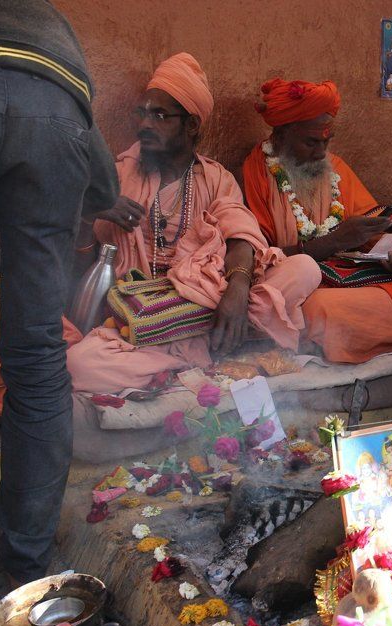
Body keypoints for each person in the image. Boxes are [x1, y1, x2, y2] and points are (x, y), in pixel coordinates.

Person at [0, 0, 119, 585]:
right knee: (35, 355)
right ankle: (24, 571)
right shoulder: (53, 28)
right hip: (55, 122)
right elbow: (102, 185)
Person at [67, 54, 321, 393]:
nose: (144, 124)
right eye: (141, 113)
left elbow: (241, 235)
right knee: (78, 365)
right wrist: (92, 210)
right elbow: (81, 262)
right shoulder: (120, 176)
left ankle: (195, 348)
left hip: (209, 306)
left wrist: (237, 290)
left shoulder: (216, 178)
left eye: (159, 115)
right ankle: (194, 357)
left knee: (305, 268)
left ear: (191, 125)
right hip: (142, 318)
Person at [242, 78, 392, 374]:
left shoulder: (335, 167)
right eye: (311, 142)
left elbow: (375, 235)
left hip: (358, 281)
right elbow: (259, 261)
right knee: (324, 312)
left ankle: (368, 336)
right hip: (311, 291)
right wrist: (333, 241)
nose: (321, 153)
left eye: (326, 141)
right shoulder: (259, 171)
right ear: (281, 135)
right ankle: (383, 332)